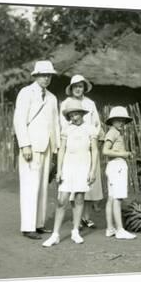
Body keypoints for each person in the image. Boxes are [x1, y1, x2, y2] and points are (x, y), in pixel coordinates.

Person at [13, 60, 60, 240]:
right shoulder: (26, 93)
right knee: (30, 185)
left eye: (49, 75)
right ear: (36, 76)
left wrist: (56, 148)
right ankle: (27, 226)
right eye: (43, 75)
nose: (46, 78)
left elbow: (55, 124)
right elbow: (19, 120)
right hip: (31, 146)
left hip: (47, 145)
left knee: (42, 187)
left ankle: (38, 223)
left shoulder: (52, 97)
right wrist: (24, 145)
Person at [43, 100, 98, 247]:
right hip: (68, 166)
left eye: (77, 113)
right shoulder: (66, 130)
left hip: (83, 166)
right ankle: (55, 235)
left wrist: (92, 170)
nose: (74, 117)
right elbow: (61, 151)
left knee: (79, 198)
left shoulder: (90, 129)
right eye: (71, 114)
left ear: (82, 114)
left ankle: (75, 231)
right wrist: (59, 170)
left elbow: (95, 151)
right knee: (62, 200)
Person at [59, 74, 103, 228]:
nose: (78, 89)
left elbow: (97, 123)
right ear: (71, 88)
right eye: (75, 86)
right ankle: (75, 217)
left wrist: (93, 137)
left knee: (89, 182)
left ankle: (86, 217)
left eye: (80, 86)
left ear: (84, 87)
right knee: (72, 184)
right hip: (73, 144)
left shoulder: (90, 104)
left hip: (88, 144)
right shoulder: (66, 103)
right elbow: (63, 124)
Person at [102, 106, 136, 240]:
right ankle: (120, 229)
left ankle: (110, 228)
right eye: (118, 120)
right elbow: (105, 150)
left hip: (114, 165)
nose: (121, 122)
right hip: (117, 165)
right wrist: (125, 154)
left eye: (123, 120)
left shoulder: (116, 132)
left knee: (111, 198)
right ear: (112, 121)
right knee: (117, 198)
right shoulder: (113, 132)